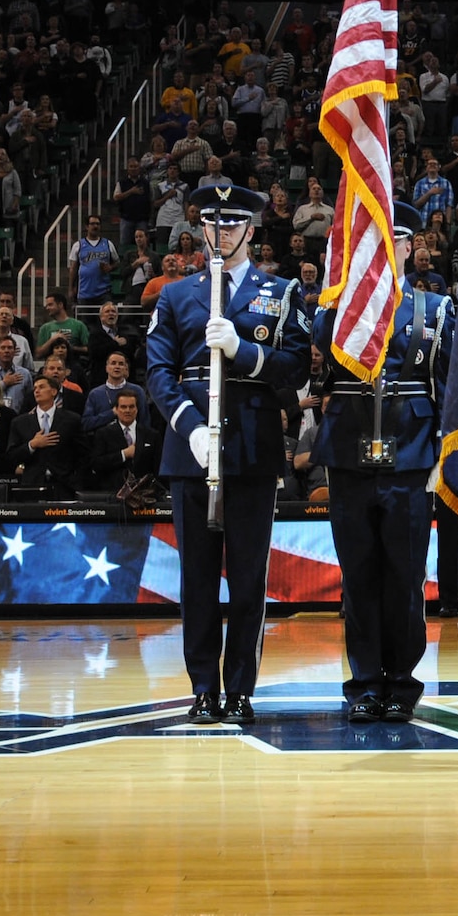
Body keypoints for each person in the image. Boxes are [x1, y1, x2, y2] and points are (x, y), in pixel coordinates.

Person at [147, 179, 311, 727]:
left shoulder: (279, 291)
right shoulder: (175, 294)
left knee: (246, 578)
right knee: (195, 578)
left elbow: (296, 366)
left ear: (252, 228)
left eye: (233, 223)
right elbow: (158, 372)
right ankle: (202, 688)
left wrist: (244, 351)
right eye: (213, 224)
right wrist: (189, 425)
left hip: (251, 444)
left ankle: (240, 688)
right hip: (190, 447)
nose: (222, 233)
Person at [311, 201, 455, 724]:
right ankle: (365, 681)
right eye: (370, 238)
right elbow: (323, 351)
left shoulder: (434, 309)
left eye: (393, 239)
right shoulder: (336, 311)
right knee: (358, 572)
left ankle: (402, 678)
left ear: (410, 244)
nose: (383, 249)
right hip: (349, 452)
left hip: (412, 452)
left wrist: (445, 454)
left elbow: (448, 387)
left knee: (405, 572)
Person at [2, 375, 84, 489]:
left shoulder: (72, 420)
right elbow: (11, 456)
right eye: (35, 388)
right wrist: (32, 445)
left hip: (65, 485)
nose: (37, 391)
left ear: (54, 391)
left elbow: (83, 454)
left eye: (41, 387)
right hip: (32, 485)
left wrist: (76, 479)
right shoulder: (20, 422)